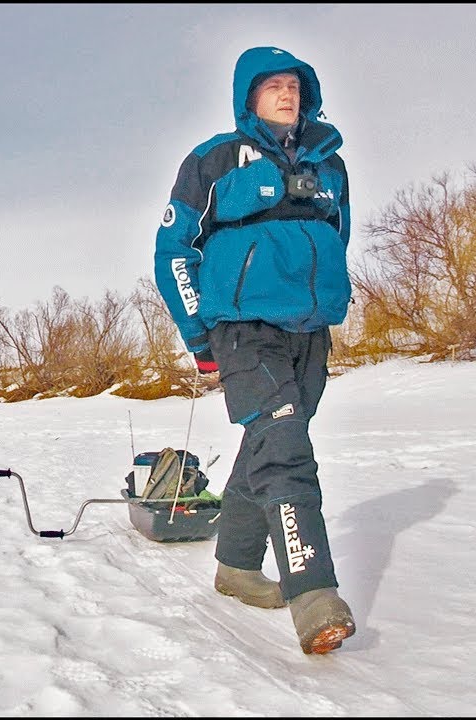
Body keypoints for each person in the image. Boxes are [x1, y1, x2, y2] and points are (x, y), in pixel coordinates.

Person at [153, 46, 355, 654]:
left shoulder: (331, 166)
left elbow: (339, 236)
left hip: (308, 330)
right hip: (242, 326)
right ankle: (313, 592)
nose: (285, 94)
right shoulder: (213, 159)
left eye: (293, 85)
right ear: (249, 97)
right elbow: (173, 251)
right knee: (286, 448)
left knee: (269, 441)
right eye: (271, 86)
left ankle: (236, 567)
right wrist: (199, 337)